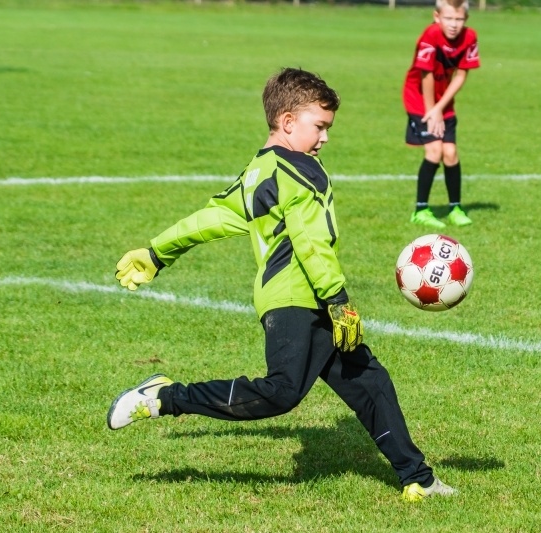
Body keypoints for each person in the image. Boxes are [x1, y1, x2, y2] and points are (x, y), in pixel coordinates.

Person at [107, 67, 456, 502]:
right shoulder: (300, 169)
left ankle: (417, 478)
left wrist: (157, 252)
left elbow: (211, 218)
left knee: (369, 382)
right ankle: (164, 397)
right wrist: (338, 301)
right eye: (320, 126)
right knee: (281, 392)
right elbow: (310, 241)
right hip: (298, 298)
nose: (325, 138)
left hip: (298, 297)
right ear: (288, 121)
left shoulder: (259, 170)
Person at [402, 0, 480, 229]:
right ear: (437, 17)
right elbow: (425, 75)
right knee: (435, 150)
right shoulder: (431, 35)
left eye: (459, 19)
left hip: (442, 102)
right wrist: (431, 111)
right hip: (419, 100)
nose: (454, 24)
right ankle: (420, 210)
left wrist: (440, 107)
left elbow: (461, 76)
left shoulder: (470, 37)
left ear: (466, 19)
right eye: (448, 18)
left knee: (451, 153)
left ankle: (455, 208)